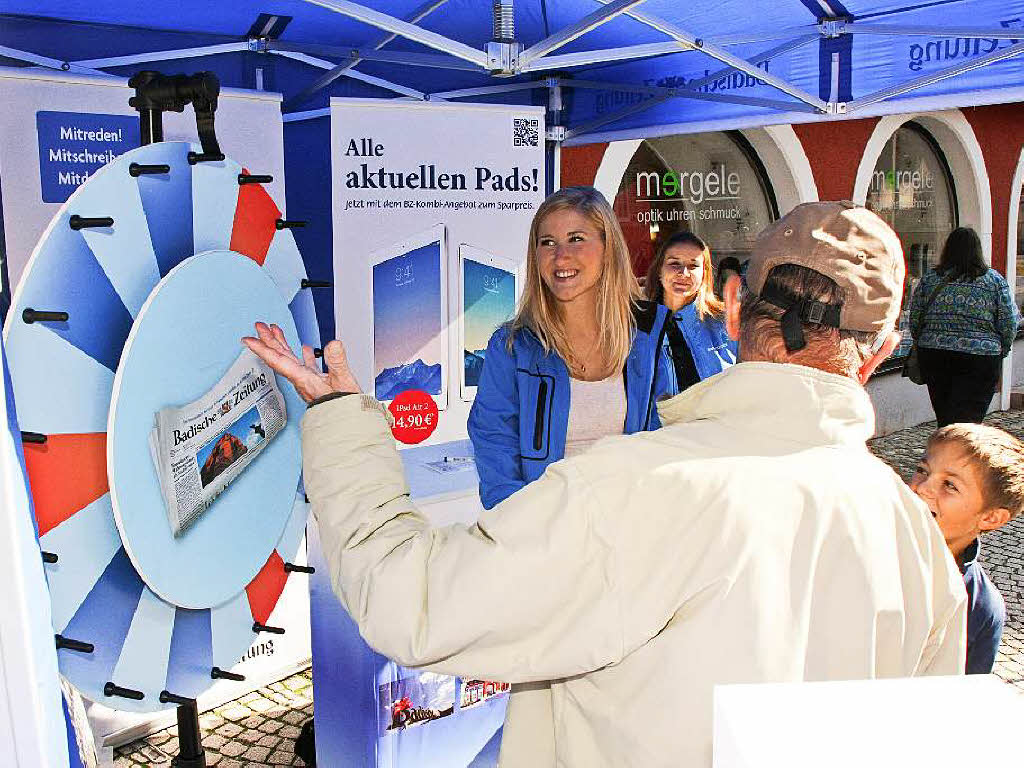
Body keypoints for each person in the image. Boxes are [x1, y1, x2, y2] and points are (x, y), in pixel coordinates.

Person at [243, 201, 966, 767]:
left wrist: (339, 420)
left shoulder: (637, 487)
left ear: (737, 308)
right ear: (881, 356)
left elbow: (410, 601)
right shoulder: (919, 541)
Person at [467, 186, 672, 510]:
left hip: (629, 532)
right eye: (547, 242)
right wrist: (527, 532)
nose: (560, 256)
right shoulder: (513, 348)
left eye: (576, 239)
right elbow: (495, 449)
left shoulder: (648, 336)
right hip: (546, 538)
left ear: (608, 248)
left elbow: (664, 438)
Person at [909, 423, 1024, 674]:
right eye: (922, 470)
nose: (923, 487)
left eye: (949, 484)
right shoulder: (865, 547)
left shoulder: (981, 608)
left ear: (991, 518)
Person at [909, 226, 1021, 427]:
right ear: (978, 250)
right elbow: (1009, 321)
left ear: (948, 249)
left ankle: (946, 449)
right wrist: (1001, 349)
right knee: (971, 418)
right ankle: (961, 453)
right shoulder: (994, 281)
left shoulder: (931, 279)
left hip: (935, 354)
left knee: (945, 414)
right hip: (981, 357)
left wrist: (924, 340)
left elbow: (915, 317)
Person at [644, 231, 736, 395]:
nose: (683, 273)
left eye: (693, 266)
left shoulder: (726, 322)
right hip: (661, 421)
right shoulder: (639, 325)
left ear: (704, 274)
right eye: (674, 263)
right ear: (659, 269)